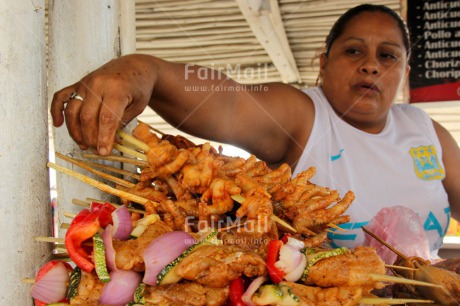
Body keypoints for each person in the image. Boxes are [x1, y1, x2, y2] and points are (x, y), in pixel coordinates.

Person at [50, 4, 460, 257]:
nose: (370, 65)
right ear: (322, 62)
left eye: (387, 56)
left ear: (405, 73)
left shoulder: (426, 131)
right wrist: (146, 71)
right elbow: (229, 100)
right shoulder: (304, 114)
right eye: (353, 50)